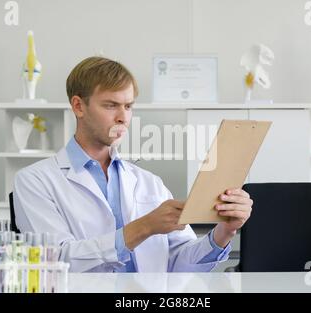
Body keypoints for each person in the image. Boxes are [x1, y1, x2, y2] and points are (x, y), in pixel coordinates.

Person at [13, 56, 253, 272]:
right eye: (110, 105)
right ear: (78, 106)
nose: (123, 117)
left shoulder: (149, 182)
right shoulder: (35, 181)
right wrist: (144, 227)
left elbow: (180, 264)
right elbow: (56, 261)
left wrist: (225, 232)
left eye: (128, 106)